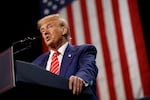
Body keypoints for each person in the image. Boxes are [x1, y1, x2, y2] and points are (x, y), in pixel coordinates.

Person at [32, 14, 99, 100]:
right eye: (42, 30)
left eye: (50, 26)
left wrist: (81, 78)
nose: (45, 32)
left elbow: (88, 68)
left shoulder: (83, 51)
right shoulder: (37, 63)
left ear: (63, 30)